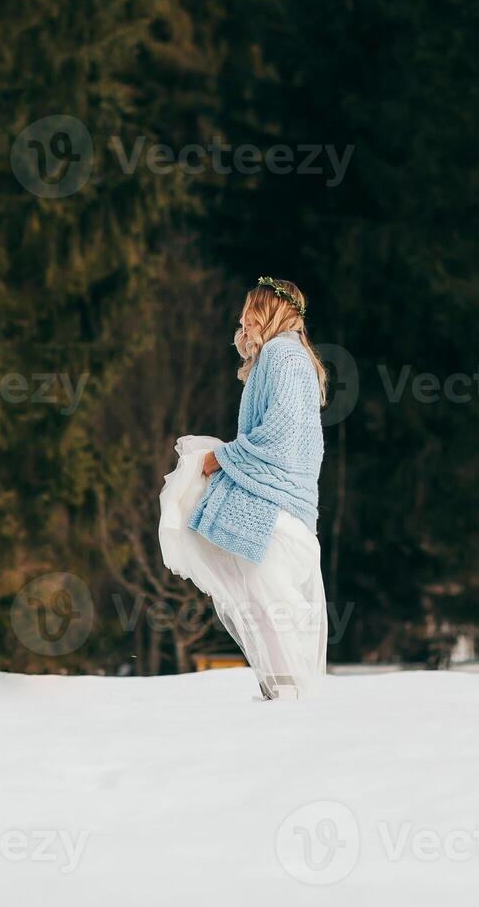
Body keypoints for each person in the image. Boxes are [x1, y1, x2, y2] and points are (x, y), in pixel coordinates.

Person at [158, 277, 328, 700]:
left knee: (270, 609)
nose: (242, 320)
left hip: (277, 512)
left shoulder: (282, 355)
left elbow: (282, 434)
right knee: (268, 608)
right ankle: (284, 699)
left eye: (251, 311)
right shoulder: (290, 356)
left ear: (268, 312)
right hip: (286, 509)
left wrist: (222, 460)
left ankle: (289, 703)